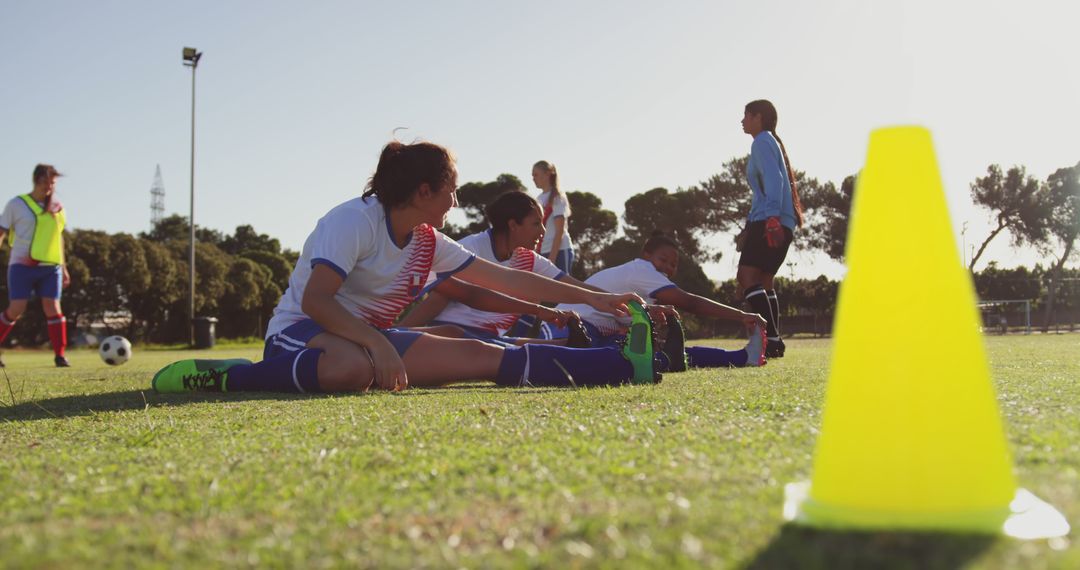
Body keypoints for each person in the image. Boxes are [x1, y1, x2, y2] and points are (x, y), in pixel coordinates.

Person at [152, 141, 658, 394]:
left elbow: (501, 277)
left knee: (482, 355)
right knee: (350, 369)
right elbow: (315, 300)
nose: (456, 201)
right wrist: (375, 343)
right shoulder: (354, 220)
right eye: (451, 189)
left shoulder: (425, 239)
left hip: (370, 338)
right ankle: (232, 378)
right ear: (423, 191)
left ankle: (621, 367)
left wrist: (593, 298)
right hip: (303, 332)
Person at [398, 191, 602, 345]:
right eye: (536, 223)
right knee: (503, 349)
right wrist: (397, 335)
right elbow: (436, 301)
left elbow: (574, 287)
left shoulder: (529, 259)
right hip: (450, 334)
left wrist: (616, 300)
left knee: (562, 348)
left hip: (490, 340)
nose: (542, 231)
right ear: (513, 225)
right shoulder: (469, 248)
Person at [554, 233, 769, 369]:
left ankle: (743, 357)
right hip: (568, 328)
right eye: (663, 259)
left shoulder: (643, 283)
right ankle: (743, 357)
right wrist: (741, 315)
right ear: (646, 255)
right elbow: (690, 303)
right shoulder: (642, 269)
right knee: (657, 357)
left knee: (662, 355)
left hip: (585, 332)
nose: (667, 267)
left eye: (673, 265)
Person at [737, 99, 802, 358]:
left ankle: (772, 339)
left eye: (746, 115)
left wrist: (771, 218)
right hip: (777, 220)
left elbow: (774, 180)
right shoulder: (770, 141)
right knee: (764, 281)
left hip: (771, 220)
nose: (742, 121)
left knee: (747, 277)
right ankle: (774, 340)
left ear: (759, 117)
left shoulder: (762, 141)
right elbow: (770, 186)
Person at [0, 164, 71, 367]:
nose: (49, 186)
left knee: (53, 307)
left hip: (51, 266)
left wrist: (64, 267)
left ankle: (60, 355)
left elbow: (60, 238)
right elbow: (1, 231)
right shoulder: (17, 204)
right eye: (46, 181)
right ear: (36, 180)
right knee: (16, 308)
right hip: (22, 265)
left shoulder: (58, 208)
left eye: (53, 183)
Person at [532, 161, 574, 274]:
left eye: (536, 174)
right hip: (542, 251)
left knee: (563, 289)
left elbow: (559, 231)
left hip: (559, 251)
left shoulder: (557, 197)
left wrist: (551, 259)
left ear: (547, 174)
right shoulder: (538, 199)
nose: (533, 178)